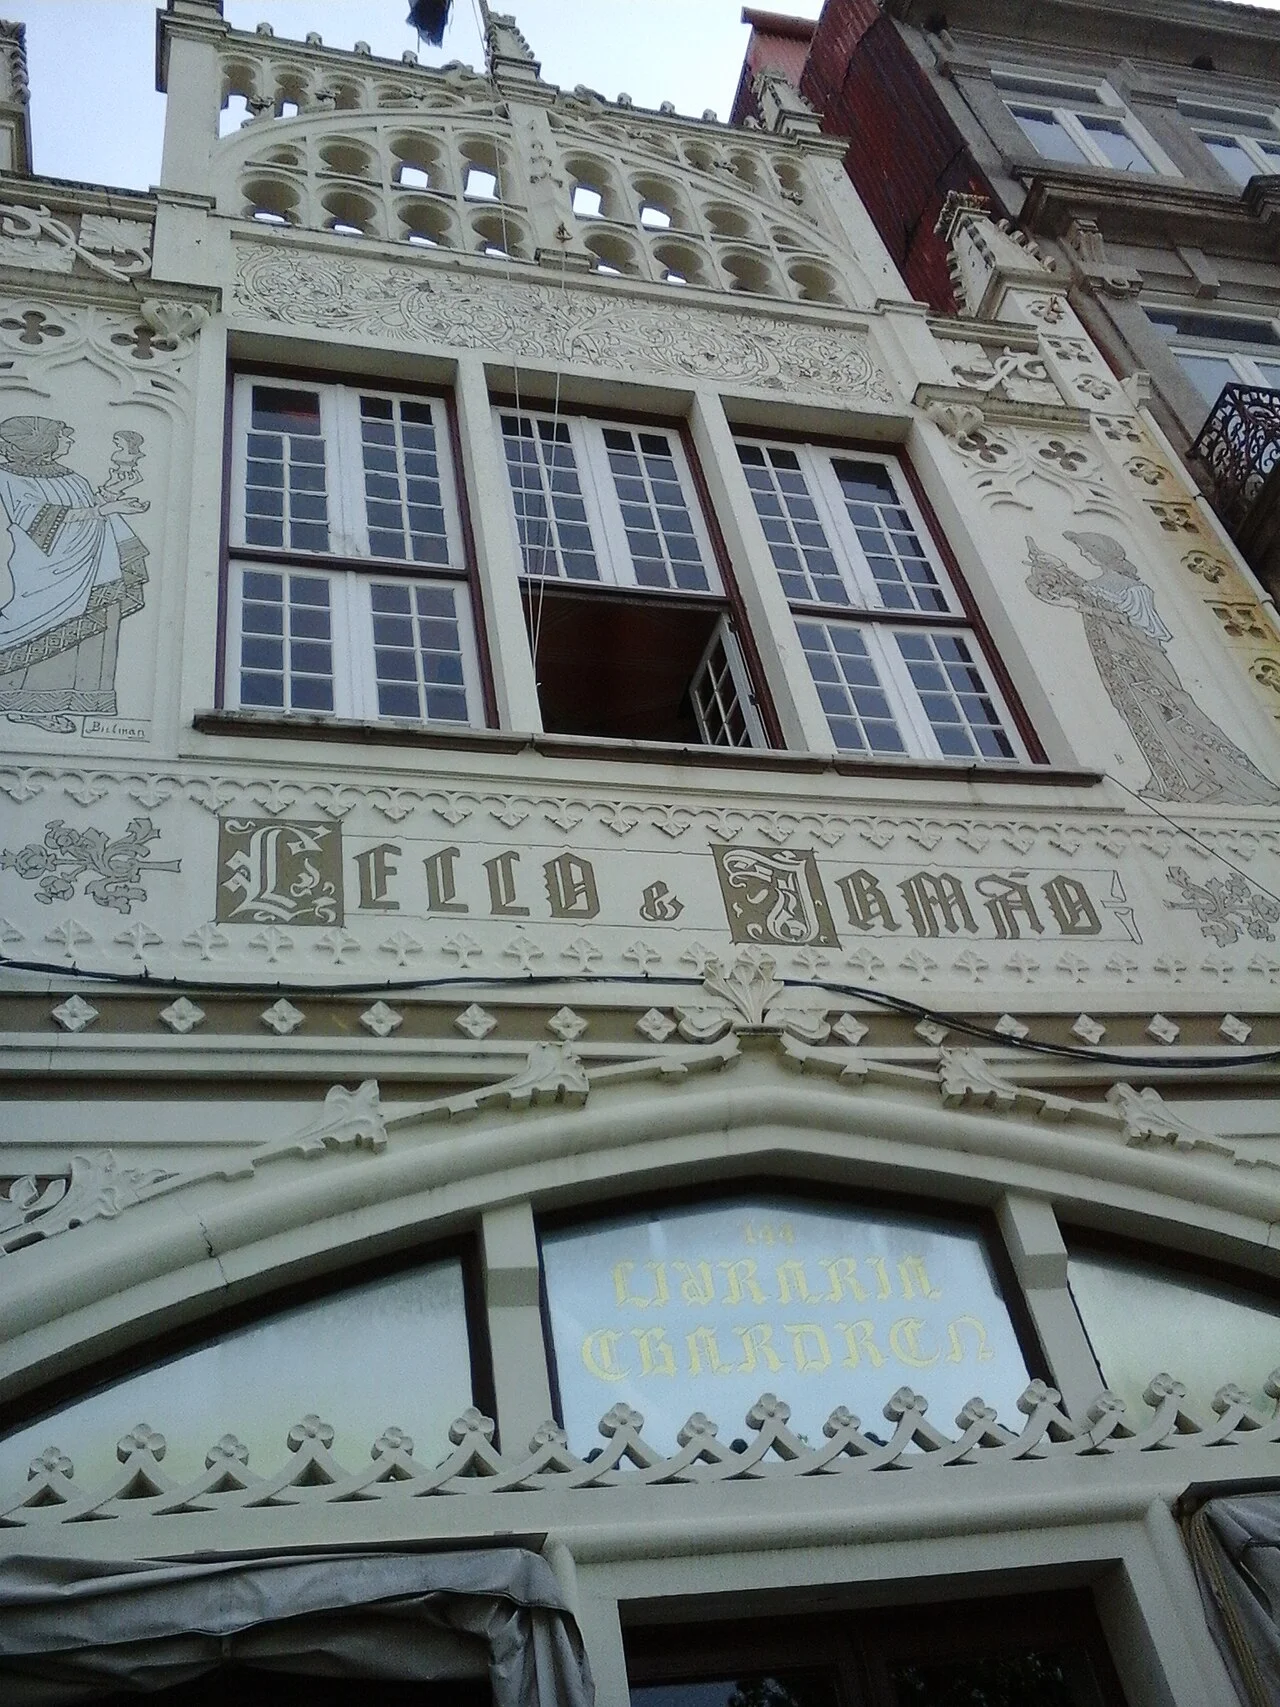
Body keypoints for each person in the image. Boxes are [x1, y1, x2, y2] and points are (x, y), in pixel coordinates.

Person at [1025, 529, 1280, 806]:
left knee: (1169, 714)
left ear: (1102, 553)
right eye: (1081, 550)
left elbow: (1131, 623)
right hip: (1119, 665)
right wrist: (1055, 567)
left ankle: (1210, 778)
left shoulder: (1134, 589)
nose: (1084, 554)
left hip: (1144, 666)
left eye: (1086, 550)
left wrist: (1082, 608)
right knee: (1139, 716)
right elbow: (1083, 590)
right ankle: (1169, 778)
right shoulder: (1102, 584)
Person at [0, 414, 148, 732]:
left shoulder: (68, 475)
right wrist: (104, 510)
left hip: (90, 563)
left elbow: (82, 506)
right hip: (46, 571)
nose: (69, 441)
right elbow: (38, 520)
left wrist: (113, 491)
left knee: (88, 633)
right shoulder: (11, 478)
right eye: (63, 436)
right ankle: (27, 706)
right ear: (42, 443)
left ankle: (61, 701)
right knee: (39, 630)